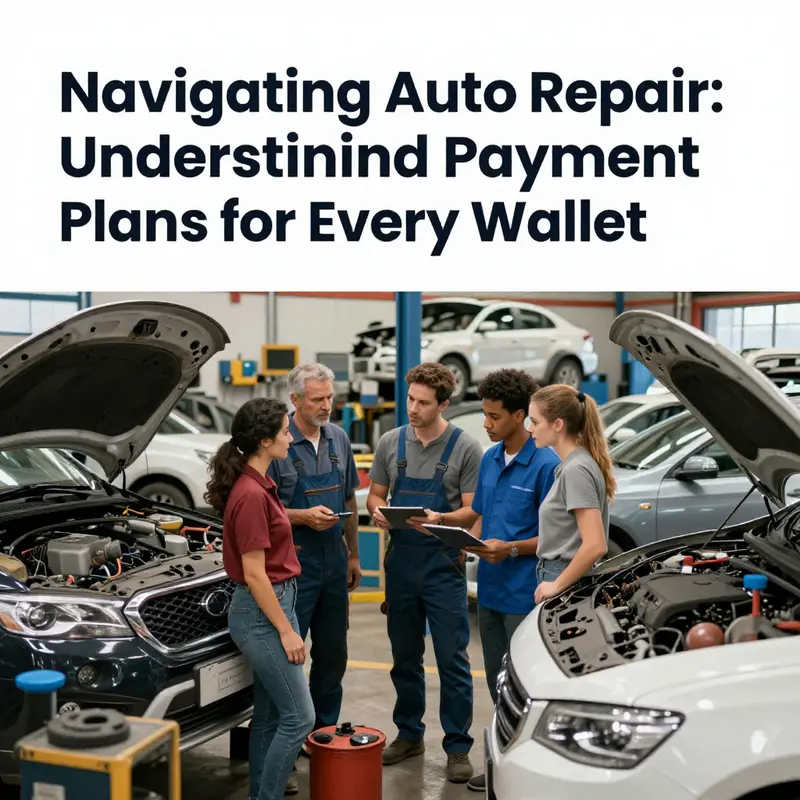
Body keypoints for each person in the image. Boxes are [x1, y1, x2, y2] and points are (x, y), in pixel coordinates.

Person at [367, 362, 483, 784]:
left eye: (423, 403)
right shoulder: (390, 442)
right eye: (410, 399)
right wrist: (378, 512)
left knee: (452, 659)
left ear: (444, 404)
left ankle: (457, 747)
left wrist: (443, 517)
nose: (412, 408)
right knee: (404, 658)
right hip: (401, 566)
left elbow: (472, 510)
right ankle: (409, 733)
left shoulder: (466, 448)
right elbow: (375, 496)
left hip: (442, 568)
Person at [205, 397, 314, 800]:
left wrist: (285, 556)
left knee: (268, 716)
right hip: (261, 614)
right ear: (266, 441)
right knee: (301, 718)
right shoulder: (251, 493)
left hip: (276, 601)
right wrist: (287, 632)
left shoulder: (260, 484)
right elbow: (253, 574)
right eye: (286, 432)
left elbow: (263, 556)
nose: (291, 437)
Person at [462, 369, 559, 794]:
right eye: (484, 414)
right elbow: (479, 517)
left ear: (521, 415)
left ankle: (524, 772)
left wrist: (512, 549)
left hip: (525, 592)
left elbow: (556, 538)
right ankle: (502, 764)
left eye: (494, 417)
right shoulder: (489, 458)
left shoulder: (547, 465)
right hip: (491, 590)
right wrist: (444, 525)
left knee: (525, 688)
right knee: (496, 684)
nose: (486, 424)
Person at [267, 363, 362, 740]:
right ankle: (282, 747)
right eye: (317, 399)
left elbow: (350, 498)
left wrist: (353, 555)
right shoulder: (276, 443)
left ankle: (321, 736)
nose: (327, 406)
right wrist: (302, 516)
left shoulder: (338, 438)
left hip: (334, 563)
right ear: (294, 400)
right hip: (293, 566)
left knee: (332, 656)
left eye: (330, 398)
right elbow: (265, 509)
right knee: (288, 659)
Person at [527, 384, 616, 604]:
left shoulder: (576, 470)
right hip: (563, 576)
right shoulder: (576, 464)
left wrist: (556, 584)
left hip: (564, 578)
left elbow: (595, 544)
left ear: (557, 424)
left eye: (535, 422)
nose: (529, 428)